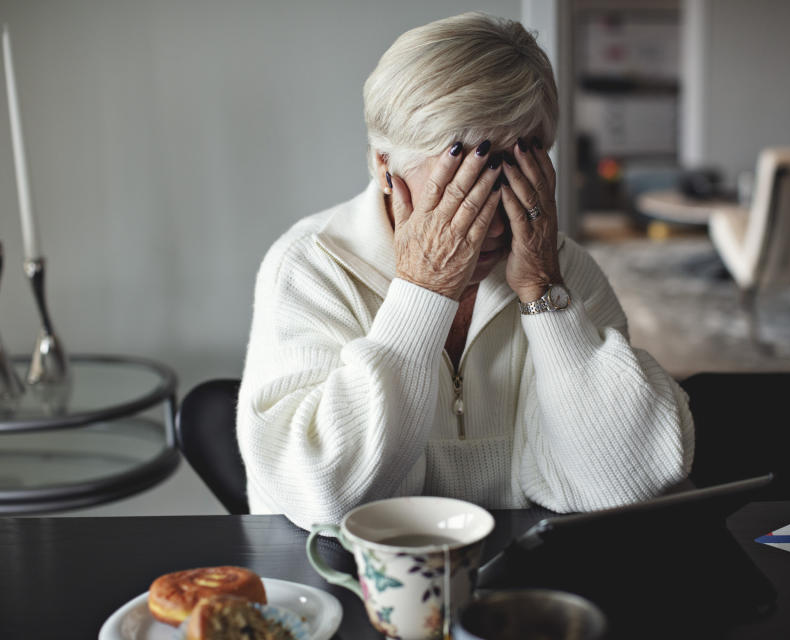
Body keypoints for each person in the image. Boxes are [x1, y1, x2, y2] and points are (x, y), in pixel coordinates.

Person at [237, 12, 694, 529]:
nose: (491, 221)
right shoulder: (310, 266)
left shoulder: (564, 268)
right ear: (386, 166)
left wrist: (545, 295)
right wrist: (423, 291)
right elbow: (324, 497)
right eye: (463, 186)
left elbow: (622, 483)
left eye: (518, 171)